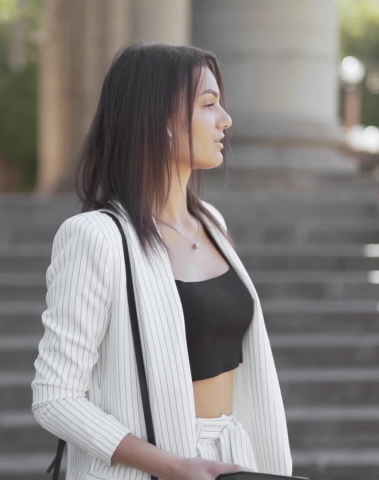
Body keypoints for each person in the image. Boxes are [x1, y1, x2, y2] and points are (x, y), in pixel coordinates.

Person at [32, 42, 293, 480]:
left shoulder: (210, 222)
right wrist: (172, 465)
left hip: (233, 459)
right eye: (209, 105)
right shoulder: (95, 238)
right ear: (162, 123)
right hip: (148, 469)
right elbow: (55, 397)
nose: (225, 119)